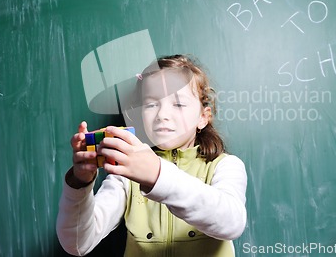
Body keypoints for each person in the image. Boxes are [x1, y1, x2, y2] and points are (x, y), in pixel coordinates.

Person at [56, 54, 247, 256]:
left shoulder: (225, 165)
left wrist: (157, 175)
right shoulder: (124, 175)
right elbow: (77, 244)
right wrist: (80, 183)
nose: (162, 114)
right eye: (151, 104)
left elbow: (231, 223)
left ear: (203, 117)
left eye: (179, 104)